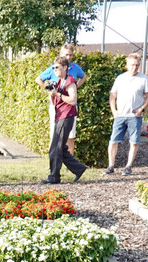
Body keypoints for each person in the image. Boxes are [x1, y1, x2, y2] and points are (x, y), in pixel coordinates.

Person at [41, 57, 86, 185]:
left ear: (65, 68)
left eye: (57, 67)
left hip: (67, 116)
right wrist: (52, 94)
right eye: (53, 68)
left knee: (55, 148)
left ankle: (54, 178)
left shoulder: (70, 81)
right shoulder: (60, 82)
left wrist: (58, 94)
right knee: (60, 147)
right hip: (60, 116)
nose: (55, 70)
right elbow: (54, 102)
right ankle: (79, 168)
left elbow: (72, 100)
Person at [105, 53, 148, 175]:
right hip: (120, 115)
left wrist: (142, 108)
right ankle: (111, 166)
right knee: (113, 140)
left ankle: (128, 166)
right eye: (132, 65)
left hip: (134, 116)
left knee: (134, 141)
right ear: (127, 65)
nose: (134, 67)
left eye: (137, 65)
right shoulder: (120, 78)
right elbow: (113, 96)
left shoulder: (143, 79)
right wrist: (114, 111)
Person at [37, 44, 86, 155]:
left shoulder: (75, 67)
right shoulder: (54, 68)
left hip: (70, 108)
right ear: (60, 54)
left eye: (70, 55)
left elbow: (83, 77)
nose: (68, 57)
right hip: (56, 107)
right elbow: (38, 79)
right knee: (54, 136)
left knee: (70, 137)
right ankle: (53, 162)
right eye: (66, 54)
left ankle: (69, 164)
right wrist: (48, 89)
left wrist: (75, 87)